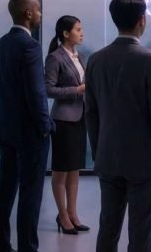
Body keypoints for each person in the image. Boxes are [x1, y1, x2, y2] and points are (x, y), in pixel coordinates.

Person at [85, 0, 151, 252]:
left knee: (108, 228)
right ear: (142, 20)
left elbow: (91, 113)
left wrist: (99, 153)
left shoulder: (96, 59)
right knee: (140, 234)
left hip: (108, 158)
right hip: (143, 162)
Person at [0, 0, 54, 252]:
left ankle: (1, 247)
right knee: (30, 193)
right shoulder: (30, 46)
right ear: (28, 13)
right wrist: (45, 126)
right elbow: (36, 93)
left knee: (5, 190)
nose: (40, 15)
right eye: (38, 10)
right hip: (30, 133)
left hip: (6, 128)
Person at [44, 15, 89, 235]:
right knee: (61, 170)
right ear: (65, 33)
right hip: (63, 120)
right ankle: (62, 215)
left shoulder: (79, 56)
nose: (82, 33)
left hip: (80, 118)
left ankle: (72, 213)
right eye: (78, 29)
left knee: (74, 169)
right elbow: (48, 89)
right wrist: (76, 90)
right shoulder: (55, 57)